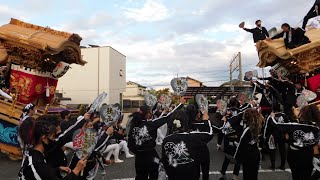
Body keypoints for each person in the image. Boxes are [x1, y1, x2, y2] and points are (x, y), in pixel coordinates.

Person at [128, 97, 185, 180]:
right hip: (151, 155)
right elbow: (168, 116)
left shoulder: (133, 126)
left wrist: (138, 152)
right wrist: (181, 104)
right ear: (147, 114)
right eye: (151, 112)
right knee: (154, 175)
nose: (152, 114)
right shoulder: (151, 124)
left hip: (139, 158)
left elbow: (130, 145)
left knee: (140, 176)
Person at [18, 117, 88, 180]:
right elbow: (41, 171)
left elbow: (45, 173)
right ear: (44, 138)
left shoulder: (35, 154)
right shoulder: (36, 164)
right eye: (53, 136)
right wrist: (76, 170)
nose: (54, 140)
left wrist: (57, 169)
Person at [162, 110, 213, 180]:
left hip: (173, 176)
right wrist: (206, 121)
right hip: (192, 176)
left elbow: (165, 161)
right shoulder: (193, 137)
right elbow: (209, 134)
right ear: (186, 122)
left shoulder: (166, 140)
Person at [277, 105, 319, 180]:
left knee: (296, 175)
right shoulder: (315, 128)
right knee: (306, 175)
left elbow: (279, 128)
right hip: (307, 154)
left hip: (294, 155)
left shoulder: (294, 126)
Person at [234, 108, 264, 180]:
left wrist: (236, 158)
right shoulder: (259, 127)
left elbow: (241, 146)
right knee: (254, 176)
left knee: (247, 176)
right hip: (256, 154)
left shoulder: (247, 129)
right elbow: (261, 140)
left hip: (248, 156)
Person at [263, 102, 289, 170]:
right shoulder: (284, 115)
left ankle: (273, 165)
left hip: (273, 136)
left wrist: (265, 136)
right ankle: (282, 165)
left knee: (272, 150)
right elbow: (288, 125)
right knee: (282, 150)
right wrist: (286, 133)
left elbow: (266, 127)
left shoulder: (270, 116)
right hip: (282, 135)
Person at [188, 105, 211, 180]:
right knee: (205, 173)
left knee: (195, 173)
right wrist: (206, 120)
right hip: (203, 151)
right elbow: (209, 135)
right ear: (197, 114)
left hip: (192, 152)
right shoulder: (203, 124)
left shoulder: (186, 125)